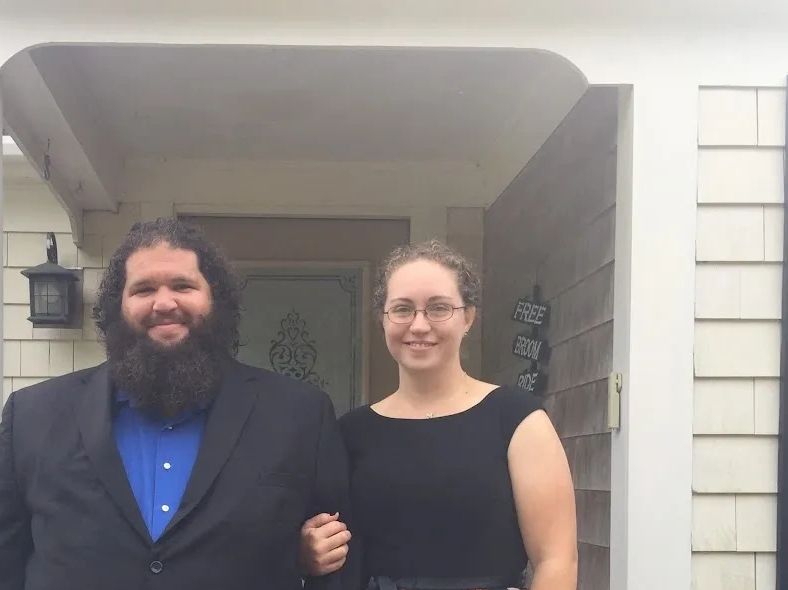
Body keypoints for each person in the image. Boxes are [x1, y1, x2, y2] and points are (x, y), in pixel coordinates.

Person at [0, 218, 352, 590]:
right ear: (117, 305)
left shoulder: (299, 414)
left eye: (183, 286)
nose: (164, 303)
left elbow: (336, 561)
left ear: (215, 298)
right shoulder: (32, 416)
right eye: (144, 289)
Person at [300, 240, 577, 590]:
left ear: (468, 317)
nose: (418, 325)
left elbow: (556, 561)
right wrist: (307, 550)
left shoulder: (518, 421)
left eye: (438, 308)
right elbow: (326, 540)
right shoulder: (351, 432)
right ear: (383, 320)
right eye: (402, 309)